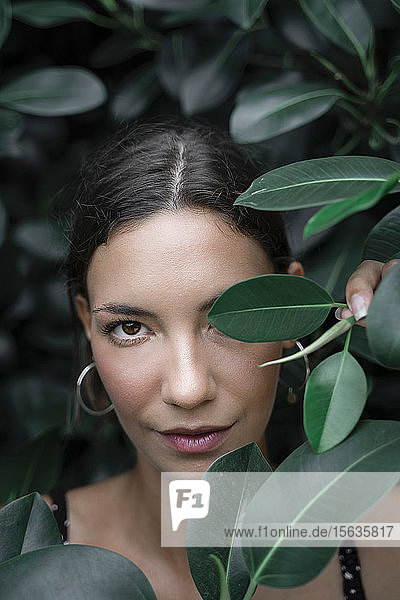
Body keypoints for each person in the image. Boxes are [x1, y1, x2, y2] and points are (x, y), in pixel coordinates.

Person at [40, 122, 399, 600]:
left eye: (230, 321)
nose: (188, 390)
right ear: (88, 323)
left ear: (288, 311)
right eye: (130, 328)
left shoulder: (386, 544)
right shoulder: (25, 552)